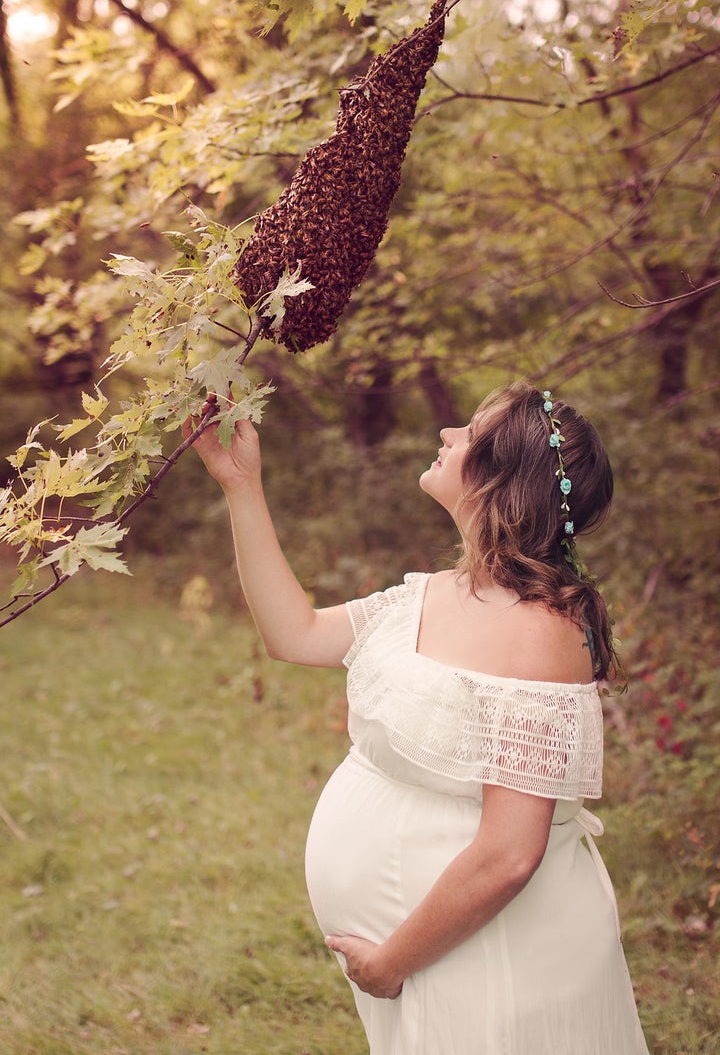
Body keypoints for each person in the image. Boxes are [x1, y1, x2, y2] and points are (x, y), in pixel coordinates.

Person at [185, 380, 651, 1054]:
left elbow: (510, 853)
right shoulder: (432, 593)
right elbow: (296, 634)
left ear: (503, 478)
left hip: (485, 952)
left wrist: (393, 960)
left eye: (468, 433)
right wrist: (240, 485)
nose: (446, 435)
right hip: (427, 954)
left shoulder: (544, 632)